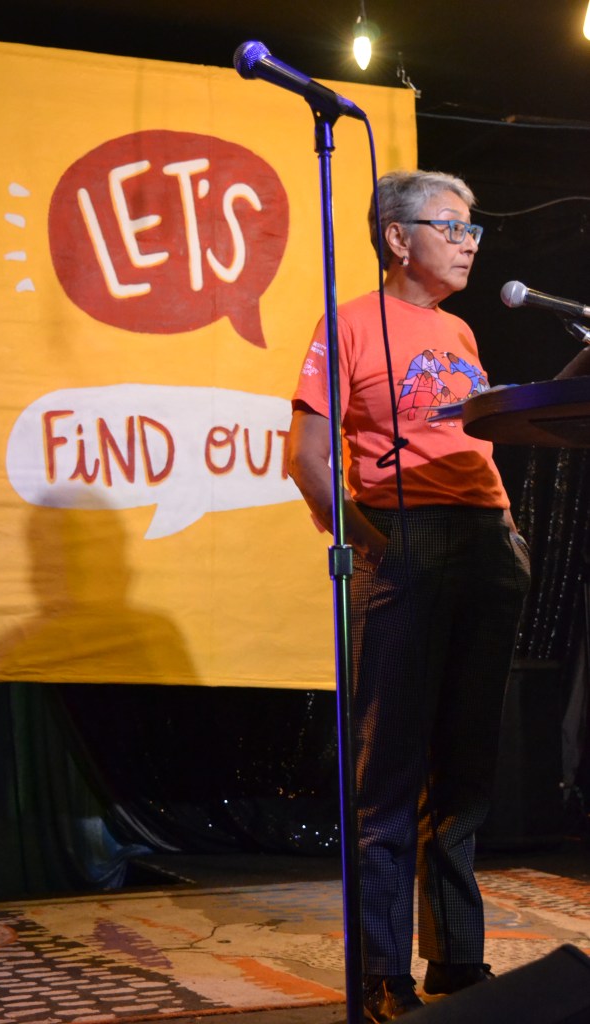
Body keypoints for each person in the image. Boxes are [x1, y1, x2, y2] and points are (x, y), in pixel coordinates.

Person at [288, 170, 531, 1021]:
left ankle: (456, 963)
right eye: (451, 226)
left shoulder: (459, 328)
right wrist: (367, 541)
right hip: (407, 536)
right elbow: (308, 452)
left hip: (485, 541)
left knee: (465, 768)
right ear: (398, 237)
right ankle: (383, 971)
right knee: (389, 769)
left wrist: (506, 535)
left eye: (472, 227)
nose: (469, 241)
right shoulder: (347, 322)